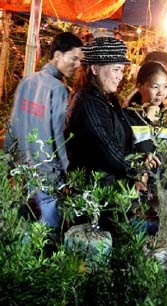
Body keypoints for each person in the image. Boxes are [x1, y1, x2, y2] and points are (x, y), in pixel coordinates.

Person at [4, 32, 83, 227]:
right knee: (48, 229)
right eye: (73, 58)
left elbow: (13, 123)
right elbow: (59, 135)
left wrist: (6, 161)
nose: (78, 65)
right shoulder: (60, 90)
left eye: (80, 60)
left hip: (23, 170)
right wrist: (68, 170)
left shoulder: (27, 81)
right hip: (48, 173)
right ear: (57, 55)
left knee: (21, 225)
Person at [66, 37, 159, 187]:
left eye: (121, 70)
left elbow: (126, 134)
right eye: (116, 69)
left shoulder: (109, 100)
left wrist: (141, 157)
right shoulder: (88, 102)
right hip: (94, 193)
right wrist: (136, 170)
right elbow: (107, 148)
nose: (120, 76)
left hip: (112, 187)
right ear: (94, 69)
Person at [125, 61, 167, 153]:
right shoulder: (127, 118)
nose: (161, 92)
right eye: (155, 87)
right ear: (140, 86)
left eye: (166, 86)